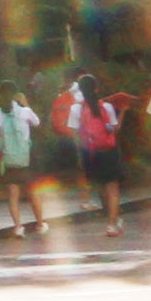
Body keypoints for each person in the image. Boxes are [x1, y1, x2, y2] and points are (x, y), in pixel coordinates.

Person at [0, 80, 48, 237]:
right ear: (15, 94)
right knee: (33, 192)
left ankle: (18, 227)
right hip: (26, 158)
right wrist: (25, 104)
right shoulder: (24, 112)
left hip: (8, 159)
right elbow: (37, 123)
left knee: (13, 194)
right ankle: (40, 224)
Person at [67, 74, 126, 236]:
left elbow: (75, 135)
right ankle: (112, 224)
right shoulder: (106, 107)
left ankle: (110, 217)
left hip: (89, 152)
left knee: (101, 186)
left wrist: (80, 155)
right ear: (96, 88)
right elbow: (114, 129)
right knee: (112, 188)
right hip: (108, 150)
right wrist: (123, 112)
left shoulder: (75, 109)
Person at [51, 67, 95, 210]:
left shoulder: (63, 94)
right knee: (85, 168)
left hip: (69, 135)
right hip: (83, 136)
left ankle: (86, 199)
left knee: (81, 169)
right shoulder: (82, 94)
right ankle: (87, 200)